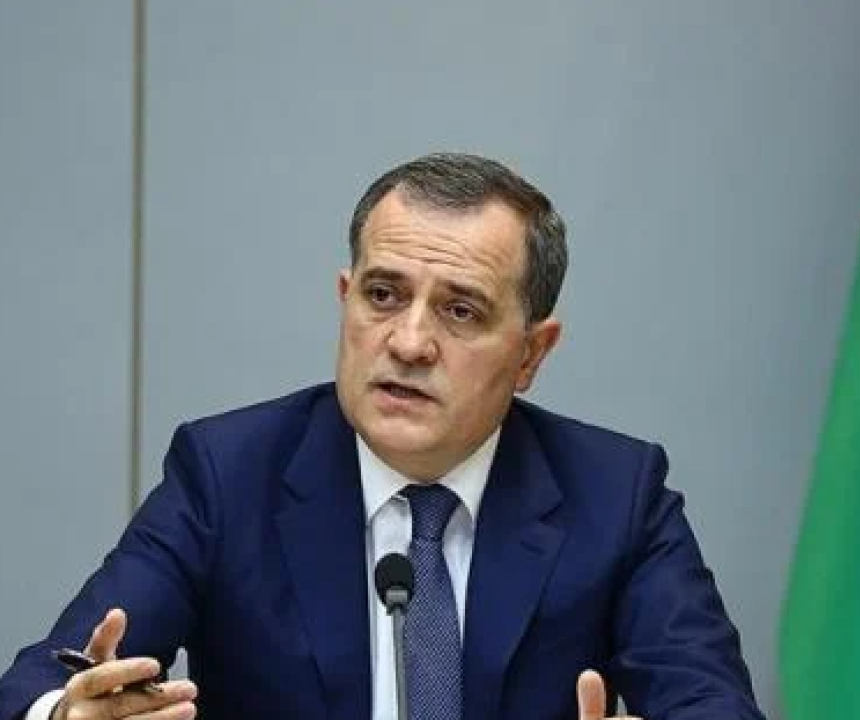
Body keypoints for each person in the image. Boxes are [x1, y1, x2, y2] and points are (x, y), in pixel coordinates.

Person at [0, 153, 764, 720]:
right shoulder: (228, 475)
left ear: (532, 353)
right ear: (346, 300)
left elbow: (710, 699)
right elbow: (40, 682)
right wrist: (67, 713)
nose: (408, 342)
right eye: (383, 295)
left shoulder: (617, 495)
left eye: (460, 311)